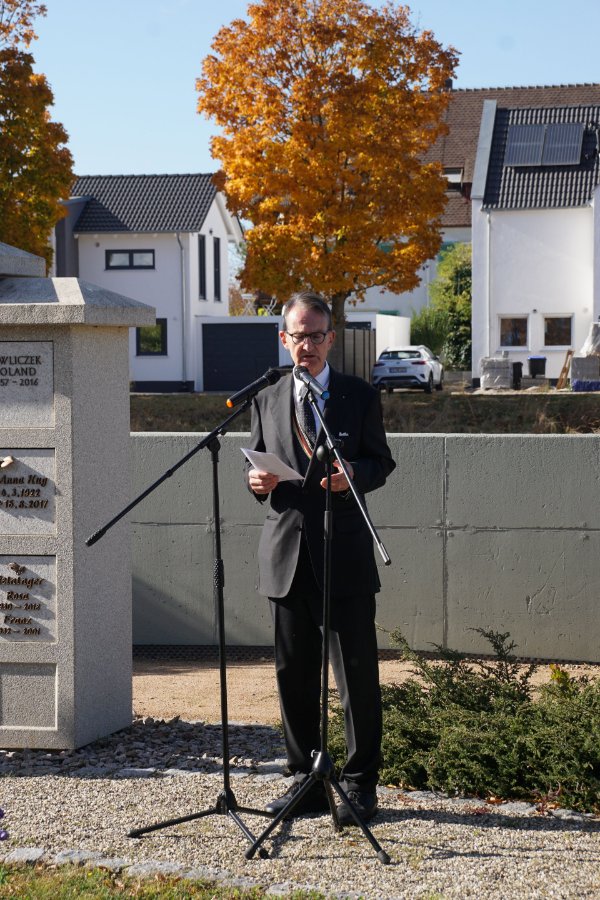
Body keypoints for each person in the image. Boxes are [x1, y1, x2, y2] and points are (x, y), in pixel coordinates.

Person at [245, 291, 396, 825]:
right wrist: (255, 482)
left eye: (315, 335)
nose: (305, 345)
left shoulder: (359, 396)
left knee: (356, 678)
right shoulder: (266, 398)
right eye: (297, 335)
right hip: (286, 556)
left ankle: (359, 785)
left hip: (345, 555)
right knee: (294, 678)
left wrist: (355, 473)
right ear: (282, 338)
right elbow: (256, 468)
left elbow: (381, 462)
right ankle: (305, 782)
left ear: (331, 339)